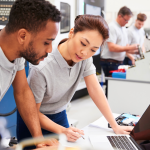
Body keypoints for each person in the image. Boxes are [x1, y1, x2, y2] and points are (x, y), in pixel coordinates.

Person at [17, 14, 133, 144]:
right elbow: (31, 111)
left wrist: (115, 125)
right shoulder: (42, 67)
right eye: (83, 43)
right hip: (34, 119)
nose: (85, 53)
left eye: (93, 50)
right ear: (72, 33)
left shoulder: (84, 58)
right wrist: (62, 131)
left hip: (59, 114)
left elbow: (95, 90)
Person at [0, 0, 61, 148]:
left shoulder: (16, 52)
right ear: (22, 36)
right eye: (46, 42)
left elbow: (22, 91)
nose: (50, 50)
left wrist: (38, 138)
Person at [99, 6, 138, 97]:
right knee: (112, 86)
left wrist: (135, 52)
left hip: (118, 61)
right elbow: (112, 47)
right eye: (126, 20)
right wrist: (129, 48)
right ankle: (109, 107)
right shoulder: (112, 27)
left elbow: (125, 47)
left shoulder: (124, 28)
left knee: (117, 86)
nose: (127, 22)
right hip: (109, 62)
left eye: (128, 21)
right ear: (119, 16)